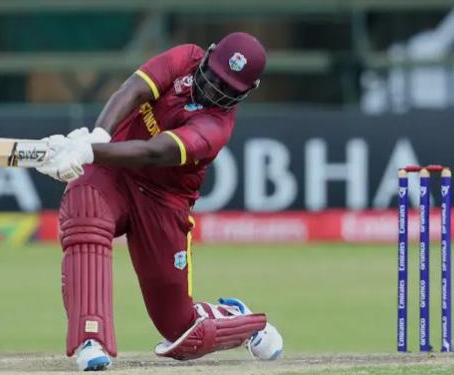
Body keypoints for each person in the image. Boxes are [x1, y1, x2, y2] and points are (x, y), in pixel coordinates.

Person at [35, 32, 284, 371]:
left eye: (225, 88)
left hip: (162, 201)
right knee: (84, 210)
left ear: (247, 91)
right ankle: (90, 339)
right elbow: (133, 90)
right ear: (208, 55)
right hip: (112, 173)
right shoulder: (186, 57)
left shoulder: (215, 127)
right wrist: (98, 136)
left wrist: (90, 152)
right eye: (212, 76)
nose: (212, 89)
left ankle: (239, 319)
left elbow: (154, 153)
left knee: (182, 332)